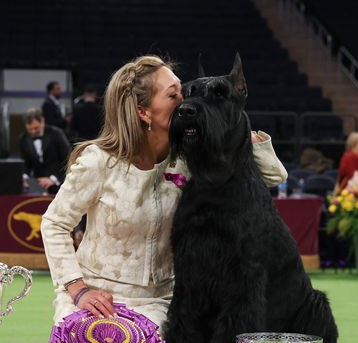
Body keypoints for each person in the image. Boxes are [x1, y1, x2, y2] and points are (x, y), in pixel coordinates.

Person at [40, 55, 287, 328]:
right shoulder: (98, 161)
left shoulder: (192, 155)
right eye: (174, 95)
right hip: (95, 297)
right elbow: (54, 224)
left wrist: (237, 129)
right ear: (143, 111)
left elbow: (272, 177)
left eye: (183, 91)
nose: (186, 101)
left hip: (163, 302)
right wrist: (78, 289)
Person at [18, 108, 71, 195]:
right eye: (29, 129)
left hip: (60, 183)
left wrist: (53, 179)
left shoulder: (57, 134)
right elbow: (26, 163)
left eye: (36, 128)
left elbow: (68, 159)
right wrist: (24, 177)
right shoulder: (23, 139)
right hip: (38, 185)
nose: (33, 132)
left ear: (42, 121)